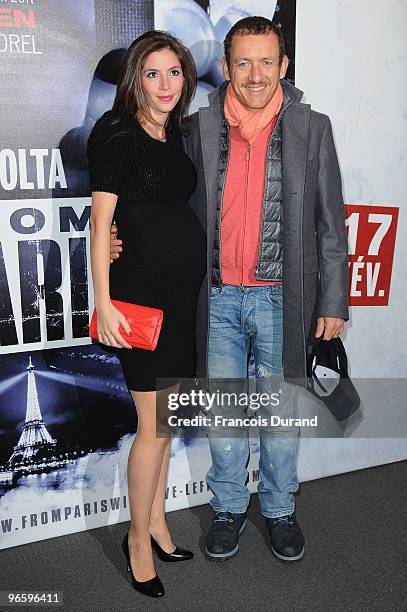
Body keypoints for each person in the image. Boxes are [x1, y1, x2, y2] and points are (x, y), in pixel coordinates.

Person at [111, 17, 349, 565]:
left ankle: (280, 508)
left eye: (267, 61)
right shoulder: (196, 129)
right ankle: (227, 508)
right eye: (243, 62)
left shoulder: (314, 128)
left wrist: (333, 301)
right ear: (226, 67)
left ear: (284, 66)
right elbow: (159, 193)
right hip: (214, 296)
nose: (256, 74)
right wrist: (117, 235)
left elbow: (331, 223)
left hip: (281, 298)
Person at [87, 31, 206, 598]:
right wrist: (103, 301)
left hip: (182, 299)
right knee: (153, 426)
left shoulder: (173, 132)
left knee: (167, 424)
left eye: (175, 73)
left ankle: (157, 521)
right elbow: (99, 221)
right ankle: (137, 539)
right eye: (153, 73)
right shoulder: (116, 132)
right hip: (139, 300)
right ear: (136, 76)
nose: (165, 84)